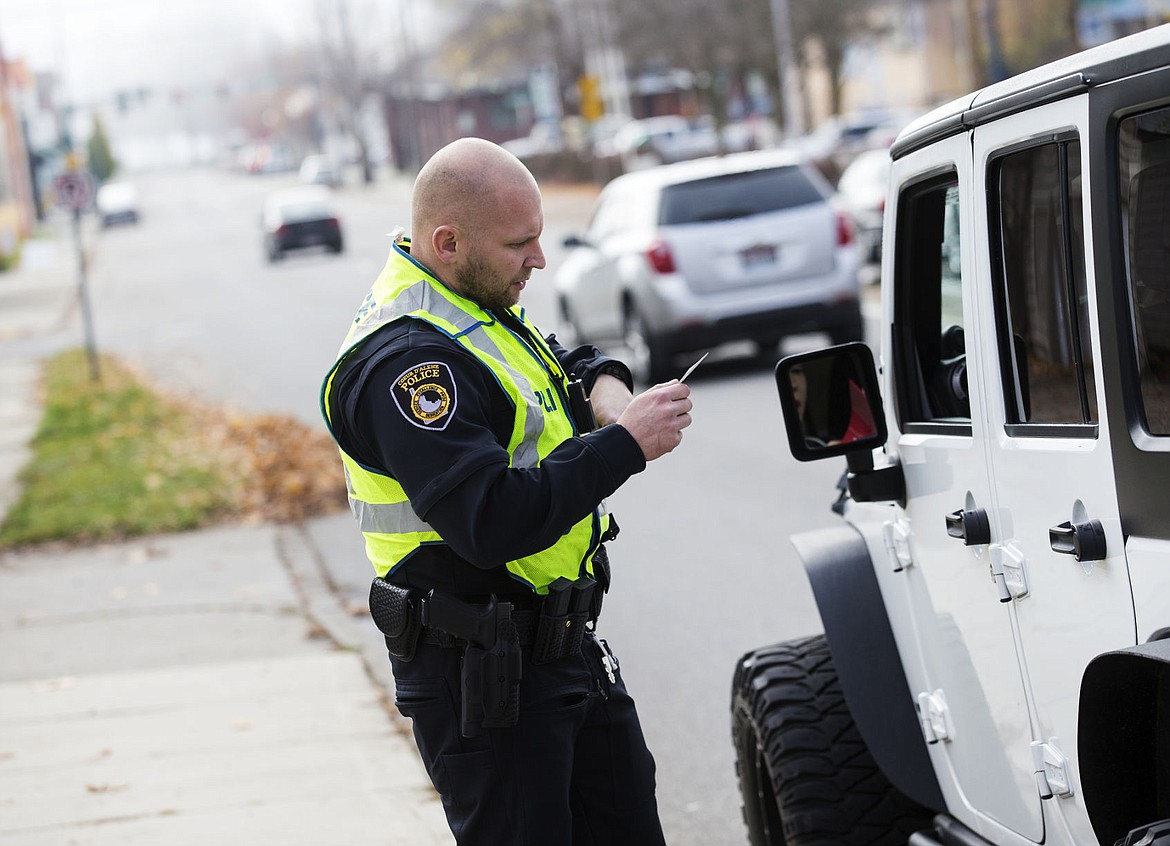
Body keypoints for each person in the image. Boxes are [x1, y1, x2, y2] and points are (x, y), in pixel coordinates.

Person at [320, 137, 692, 845]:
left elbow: (550, 365)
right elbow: (488, 519)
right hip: (484, 678)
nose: (539, 260)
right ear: (448, 240)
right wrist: (626, 444)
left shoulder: (468, 300)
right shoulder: (408, 363)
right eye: (521, 243)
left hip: (561, 650)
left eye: (540, 238)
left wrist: (606, 383)